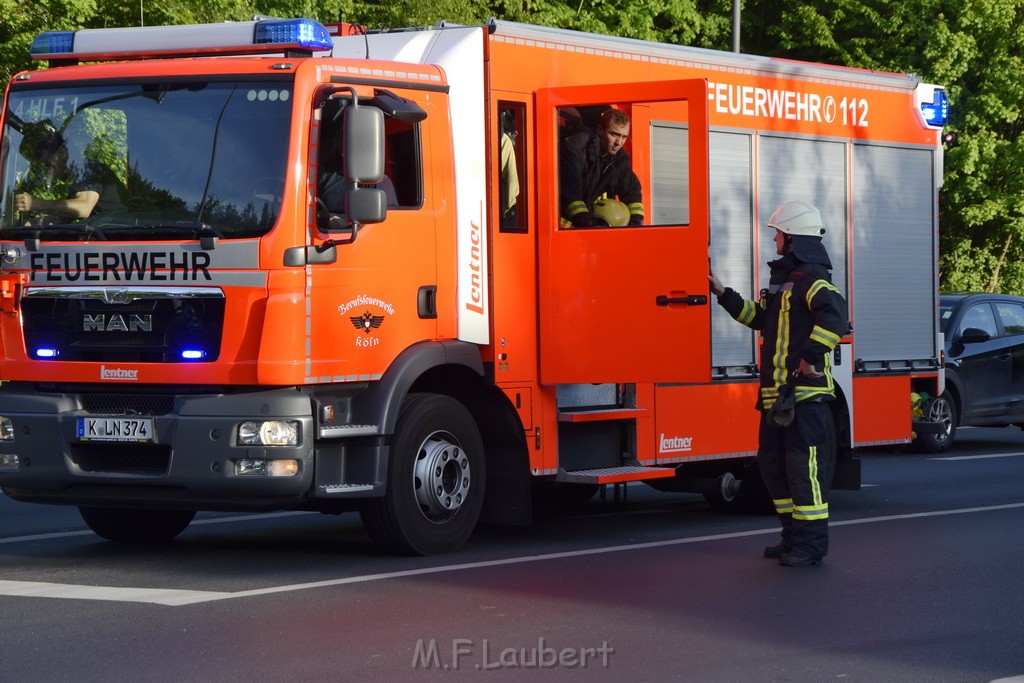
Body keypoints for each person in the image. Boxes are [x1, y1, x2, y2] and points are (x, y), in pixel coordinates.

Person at [708, 201, 849, 567]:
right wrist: (722, 292)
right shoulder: (784, 281)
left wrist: (812, 356)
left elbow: (835, 315)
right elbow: (759, 319)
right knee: (773, 468)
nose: (773, 238)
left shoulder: (812, 277)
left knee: (804, 472)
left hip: (805, 397)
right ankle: (792, 537)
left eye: (778, 233)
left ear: (792, 238)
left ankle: (811, 544)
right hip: (777, 398)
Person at [559, 108, 644, 227]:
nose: (618, 143)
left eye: (624, 137)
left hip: (583, 221)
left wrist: (635, 225)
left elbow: (632, 193)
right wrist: (587, 222)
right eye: (614, 134)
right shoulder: (578, 147)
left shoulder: (619, 159)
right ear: (600, 130)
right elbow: (570, 193)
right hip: (559, 222)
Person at [13, 134, 121, 222]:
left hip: (120, 230)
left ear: (62, 153)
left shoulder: (89, 169)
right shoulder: (77, 180)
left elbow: (84, 207)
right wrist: (22, 225)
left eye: (49, 165)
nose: (49, 171)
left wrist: (35, 203)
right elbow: (61, 219)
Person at [319, 131, 398, 213]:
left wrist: (346, 222)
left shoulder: (378, 180)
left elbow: (388, 217)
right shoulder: (327, 177)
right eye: (341, 140)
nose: (343, 147)